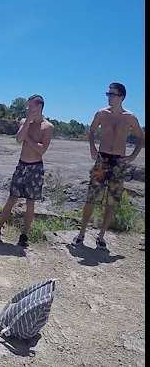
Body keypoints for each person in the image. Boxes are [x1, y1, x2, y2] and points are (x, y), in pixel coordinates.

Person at [72, 83, 144, 250]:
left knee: (112, 201)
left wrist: (133, 156)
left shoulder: (130, 117)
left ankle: (101, 236)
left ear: (121, 97)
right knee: (91, 197)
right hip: (102, 160)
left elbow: (141, 138)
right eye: (108, 94)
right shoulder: (102, 114)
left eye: (112, 94)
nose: (109, 97)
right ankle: (81, 233)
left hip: (118, 162)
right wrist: (92, 147)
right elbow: (91, 130)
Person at [0, 95, 54, 247]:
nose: (28, 109)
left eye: (31, 106)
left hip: (36, 168)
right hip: (22, 165)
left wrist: (28, 139)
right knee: (12, 198)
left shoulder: (48, 127)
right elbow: (18, 139)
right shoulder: (24, 122)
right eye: (28, 107)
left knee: (30, 203)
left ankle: (24, 235)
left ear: (39, 108)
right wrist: (27, 127)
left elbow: (41, 150)